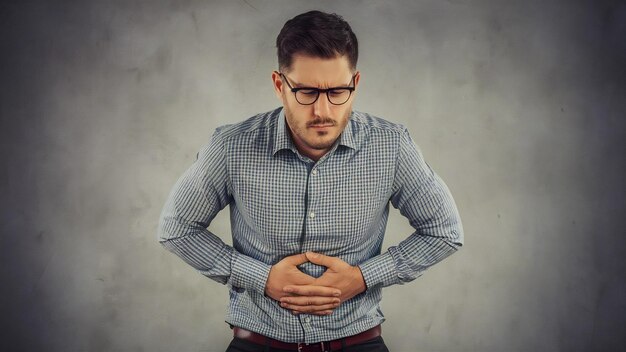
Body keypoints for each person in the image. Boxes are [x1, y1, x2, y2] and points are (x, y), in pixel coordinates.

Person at [158, 10, 463, 352]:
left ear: (355, 84)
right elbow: (177, 227)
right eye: (306, 92)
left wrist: (362, 279)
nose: (322, 111)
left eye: (337, 91)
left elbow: (444, 231)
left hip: (356, 342)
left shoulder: (391, 146)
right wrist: (262, 278)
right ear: (279, 85)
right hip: (257, 343)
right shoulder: (231, 147)